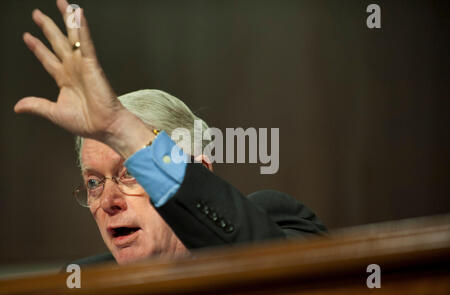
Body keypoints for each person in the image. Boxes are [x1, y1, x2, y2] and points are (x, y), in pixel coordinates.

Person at [14, 0, 327, 267]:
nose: (109, 201)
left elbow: (273, 275)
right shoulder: (82, 282)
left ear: (200, 171)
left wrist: (119, 128)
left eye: (131, 172)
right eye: (93, 182)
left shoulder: (273, 222)